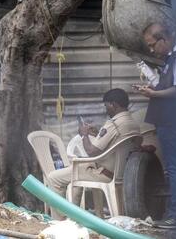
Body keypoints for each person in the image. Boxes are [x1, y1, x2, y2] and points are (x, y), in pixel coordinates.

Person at [47, 89, 141, 220]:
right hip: (119, 174)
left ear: (113, 104)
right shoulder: (133, 124)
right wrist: (97, 133)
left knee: (54, 178)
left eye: (106, 105)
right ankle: (73, 218)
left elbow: (91, 151)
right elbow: (114, 145)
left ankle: (59, 221)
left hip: (102, 174)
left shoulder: (114, 124)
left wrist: (85, 134)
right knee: (75, 173)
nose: (106, 109)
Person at [134, 22, 176, 229]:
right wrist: (152, 88)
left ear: (164, 40)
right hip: (166, 122)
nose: (151, 50)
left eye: (152, 45)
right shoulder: (170, 60)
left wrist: (154, 94)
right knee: (174, 168)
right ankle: (175, 213)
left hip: (173, 122)